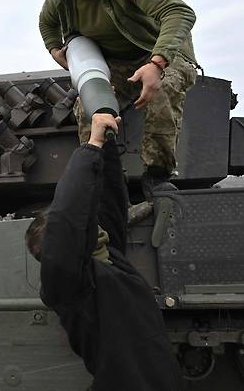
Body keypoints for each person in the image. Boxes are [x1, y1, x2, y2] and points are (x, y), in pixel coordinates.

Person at [25, 113, 181, 391]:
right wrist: (91, 145)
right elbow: (67, 216)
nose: (92, 224)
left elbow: (108, 199)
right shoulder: (69, 283)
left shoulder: (109, 257)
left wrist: (106, 145)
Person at [39, 0, 198, 199]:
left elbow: (179, 11)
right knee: (88, 106)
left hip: (161, 52)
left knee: (163, 89)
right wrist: (55, 48)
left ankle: (157, 175)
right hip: (117, 63)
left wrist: (157, 63)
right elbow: (47, 23)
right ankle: (101, 177)